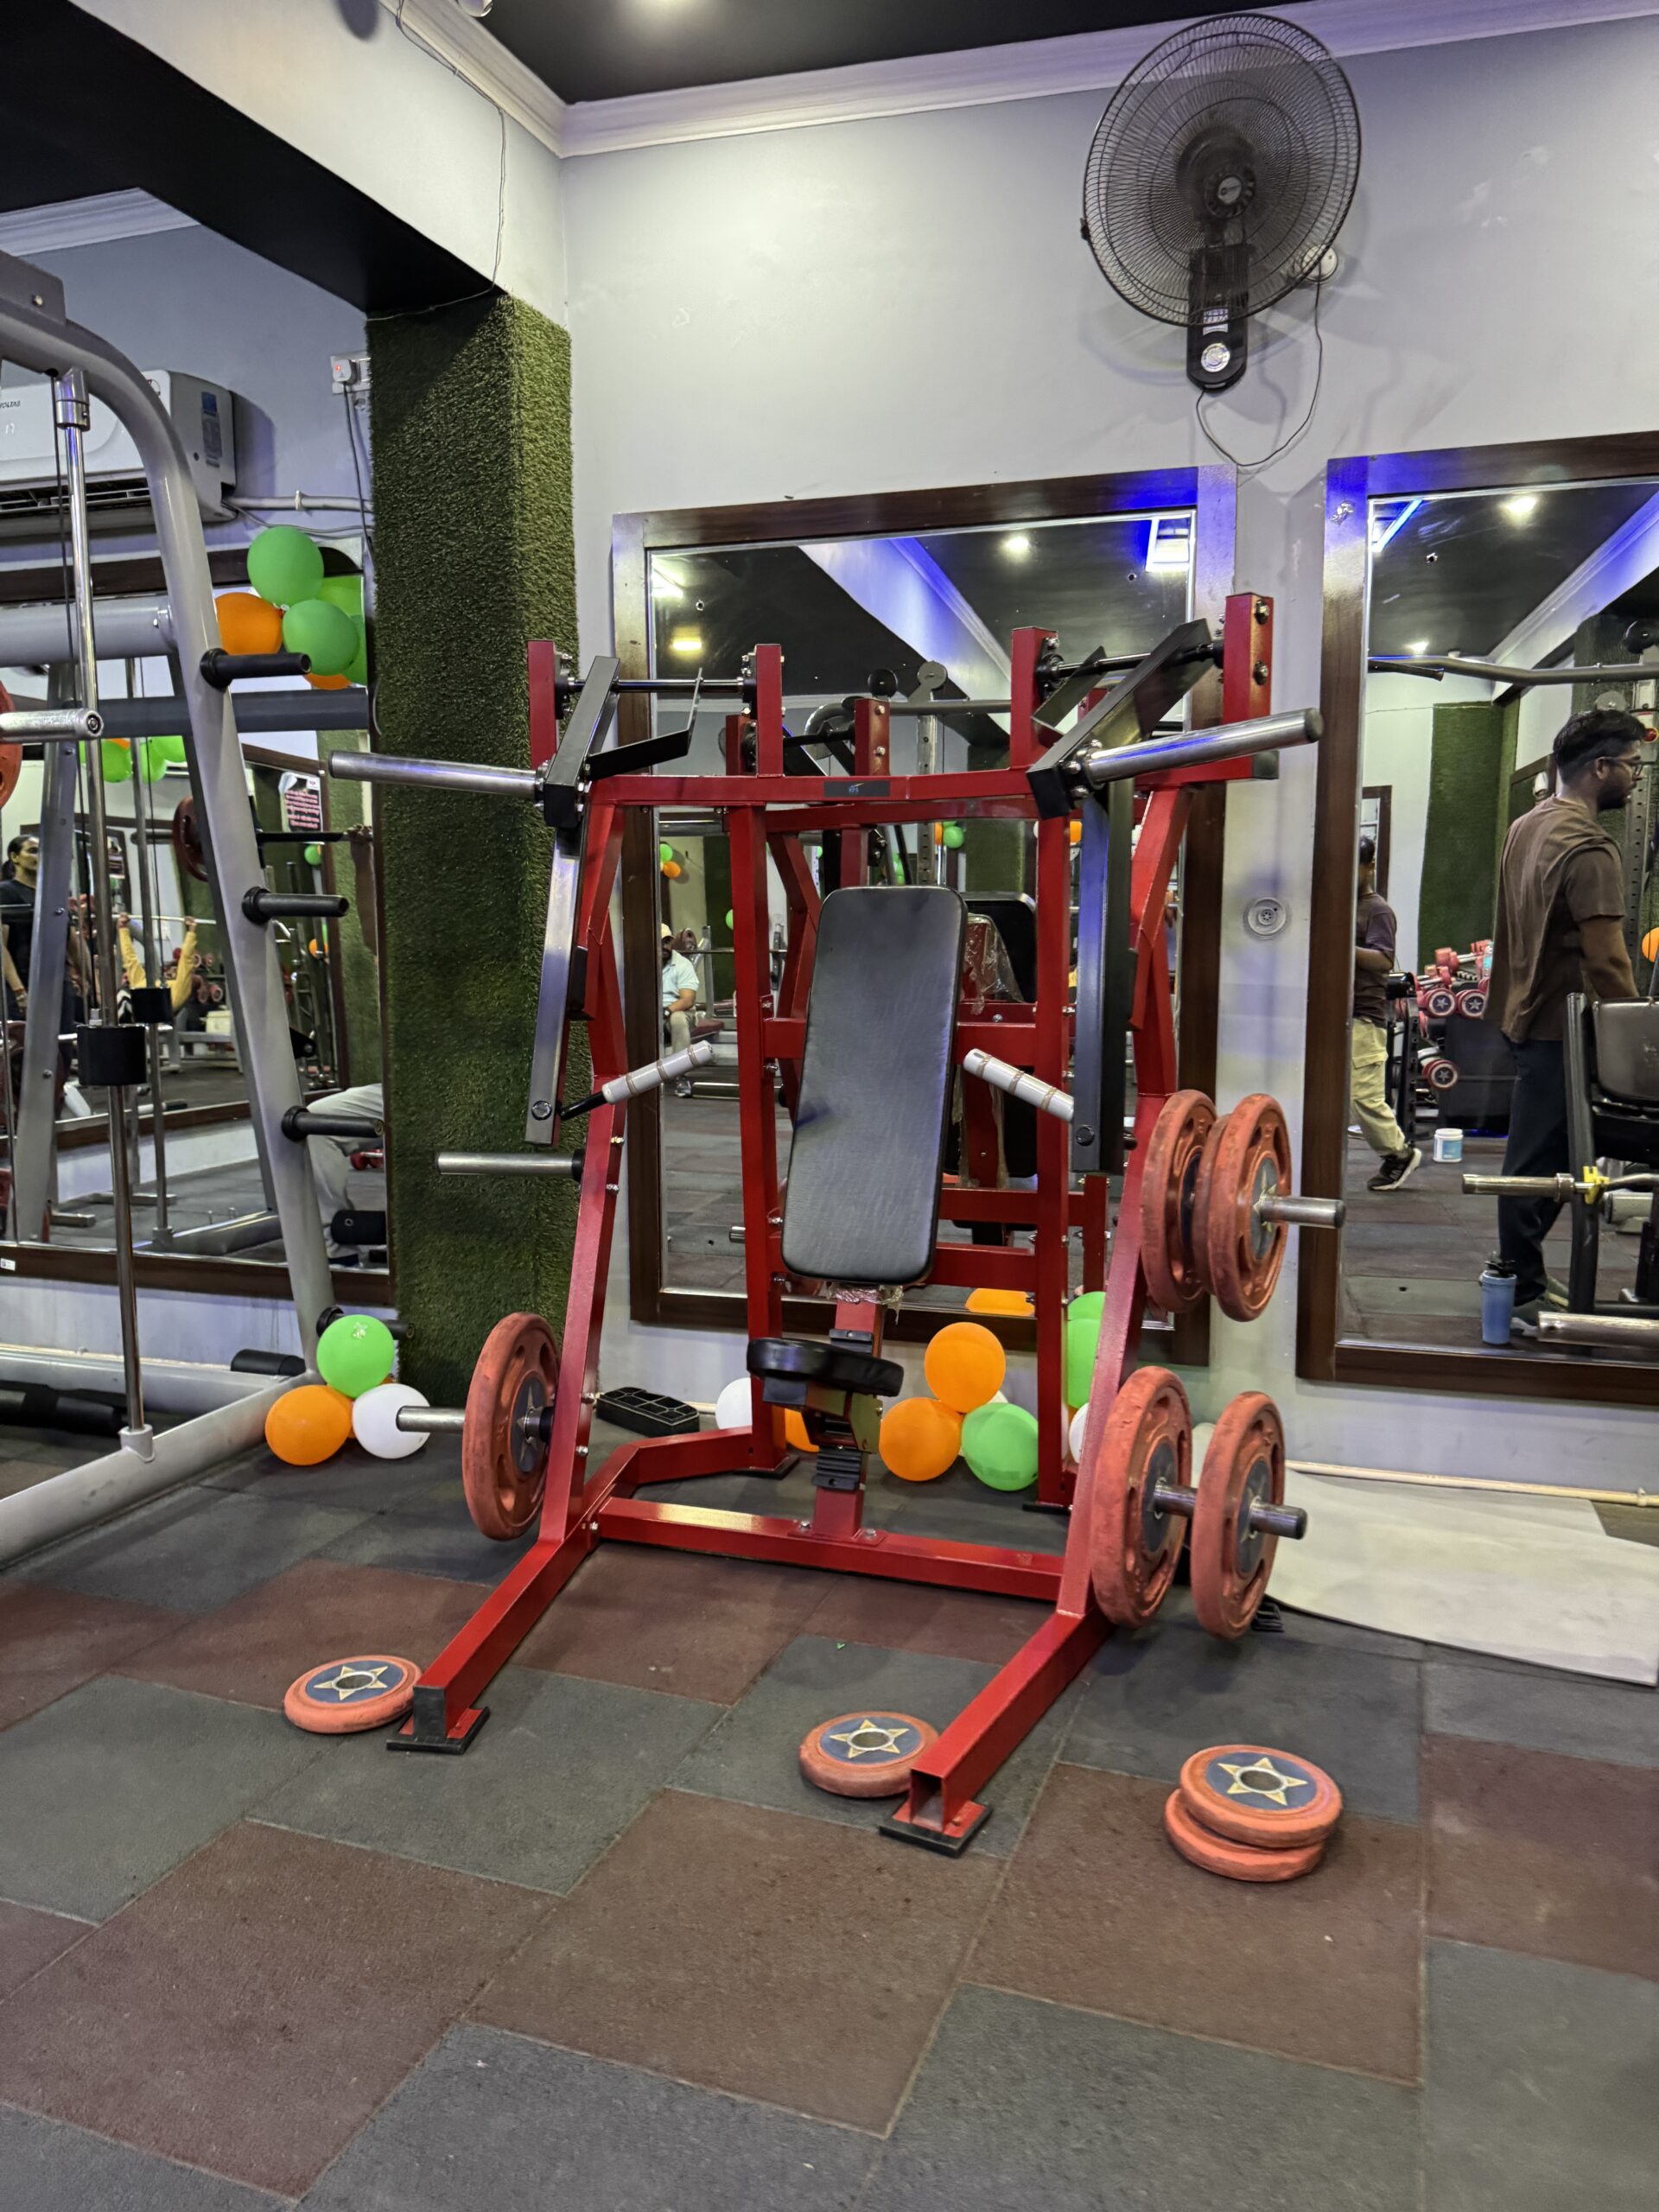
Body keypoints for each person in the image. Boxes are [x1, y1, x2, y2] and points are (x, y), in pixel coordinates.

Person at [1485, 705, 1643, 1325]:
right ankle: (1517, 1282)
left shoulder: (1527, 826)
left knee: (1548, 1154)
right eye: (1631, 765)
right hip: (1562, 1026)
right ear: (1600, 768)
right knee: (1540, 1161)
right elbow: (1607, 960)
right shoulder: (1590, 847)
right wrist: (1638, 1036)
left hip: (1527, 1015)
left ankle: (1519, 1272)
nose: (1635, 777)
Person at [1351, 836, 1421, 1192]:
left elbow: (1383, 960)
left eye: (1354, 866)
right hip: (1334, 1015)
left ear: (1369, 867)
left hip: (1364, 1016)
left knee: (1364, 1096)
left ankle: (1399, 1153)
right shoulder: (1337, 904)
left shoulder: (1377, 910)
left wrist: (1340, 944)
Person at [661, 922, 700, 1096]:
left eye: (667, 941)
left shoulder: (682, 964)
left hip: (678, 1012)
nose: (664, 946)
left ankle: (682, 1075)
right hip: (652, 1013)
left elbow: (688, 999)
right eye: (660, 942)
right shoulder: (643, 964)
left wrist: (666, 1011)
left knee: (677, 1018)